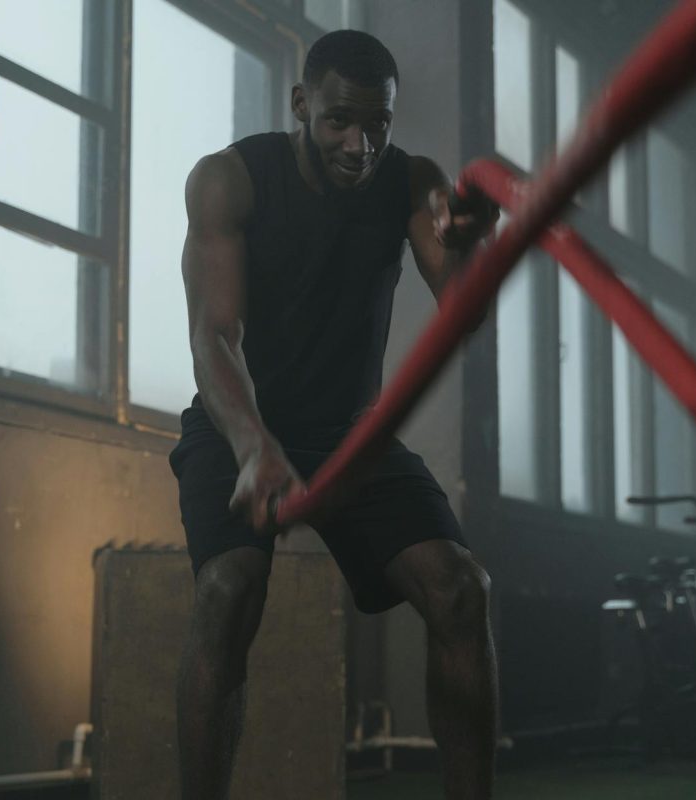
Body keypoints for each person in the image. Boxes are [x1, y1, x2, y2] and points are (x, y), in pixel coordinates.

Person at [169, 29, 499, 800]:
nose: (361, 145)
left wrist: (474, 249)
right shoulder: (230, 181)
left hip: (354, 440)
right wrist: (254, 446)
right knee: (227, 592)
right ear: (300, 106)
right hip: (238, 424)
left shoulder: (411, 183)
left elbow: (463, 313)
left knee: (462, 589)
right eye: (339, 123)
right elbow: (214, 337)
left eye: (378, 125)